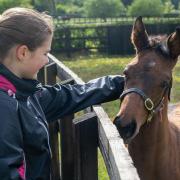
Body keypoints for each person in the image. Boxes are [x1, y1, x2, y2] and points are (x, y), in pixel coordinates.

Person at [0, 7, 124, 180]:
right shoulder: (5, 107)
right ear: (23, 53)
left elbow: (70, 96)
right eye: (45, 53)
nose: (47, 60)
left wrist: (122, 83)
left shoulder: (25, 94)